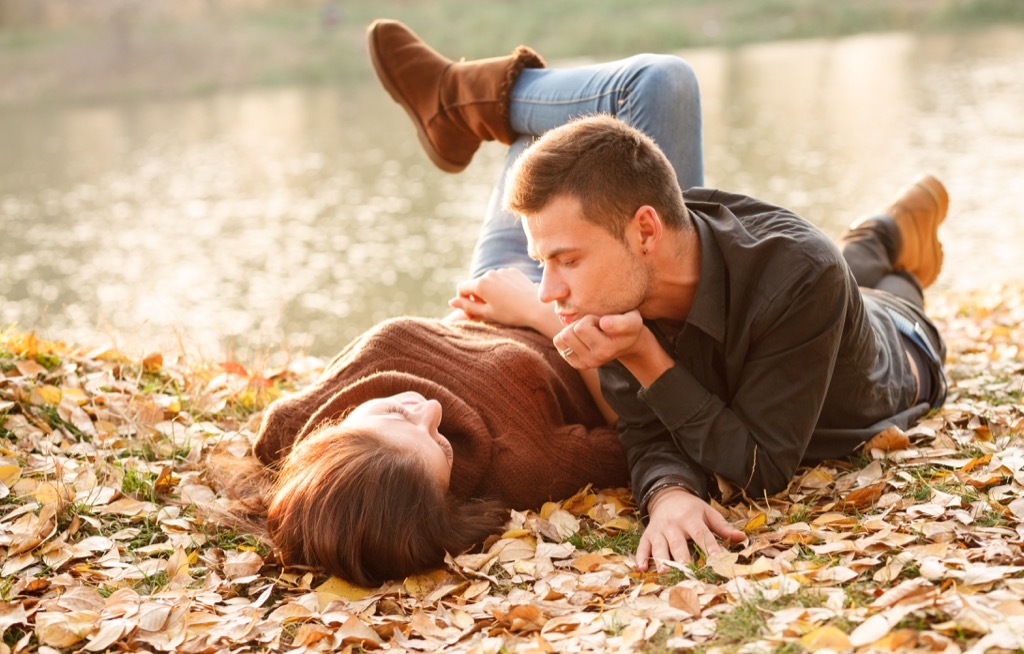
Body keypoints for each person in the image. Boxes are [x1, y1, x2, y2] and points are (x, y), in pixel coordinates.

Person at [367, 20, 949, 573]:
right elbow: (646, 431)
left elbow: (761, 467)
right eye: (544, 262)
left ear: (646, 231)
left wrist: (646, 357)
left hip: (901, 352)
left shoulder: (797, 275)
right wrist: (669, 492)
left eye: (566, 260)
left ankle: (886, 240)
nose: (547, 291)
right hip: (818, 307)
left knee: (887, 290)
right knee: (846, 271)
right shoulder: (623, 286)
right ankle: (878, 234)